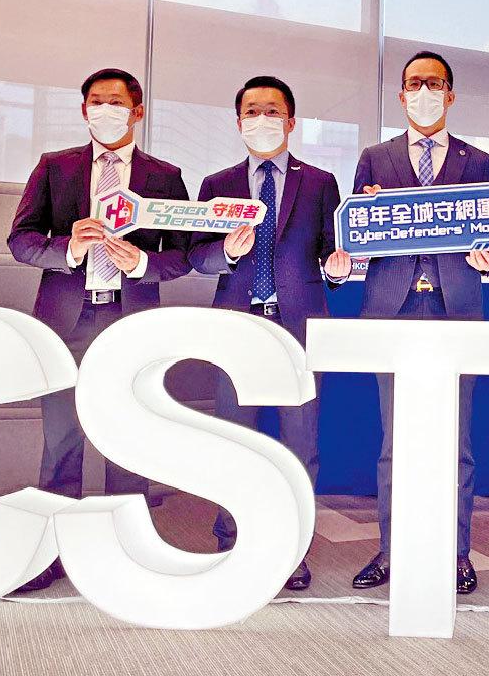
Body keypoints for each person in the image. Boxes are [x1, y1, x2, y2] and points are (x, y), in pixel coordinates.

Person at [7, 67, 191, 591]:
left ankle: (127, 551)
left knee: (128, 439)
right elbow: (20, 240)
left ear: (137, 111)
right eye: (95, 101)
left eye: (116, 101)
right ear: (84, 110)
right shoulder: (55, 166)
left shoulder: (164, 176)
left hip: (129, 321)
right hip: (66, 321)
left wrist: (142, 263)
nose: (105, 109)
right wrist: (67, 248)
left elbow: (183, 255)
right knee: (61, 440)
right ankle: (49, 554)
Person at [349, 51, 489, 595]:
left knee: (456, 440)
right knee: (393, 442)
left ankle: (457, 553)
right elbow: (356, 237)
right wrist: (366, 220)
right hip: (392, 308)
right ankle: (391, 550)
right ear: (401, 95)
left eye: (434, 83)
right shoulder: (375, 158)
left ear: (450, 94)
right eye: (414, 83)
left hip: (457, 308)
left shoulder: (479, 161)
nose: (424, 92)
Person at [188, 76, 352, 591]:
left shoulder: (319, 182)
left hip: (297, 324)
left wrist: (339, 268)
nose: (263, 120)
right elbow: (198, 256)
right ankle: (231, 538)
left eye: (273, 111)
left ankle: (292, 545)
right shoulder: (216, 184)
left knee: (300, 440)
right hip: (238, 324)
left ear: (291, 121)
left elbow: (331, 251)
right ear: (239, 122)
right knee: (236, 437)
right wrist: (226, 252)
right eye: (252, 111)